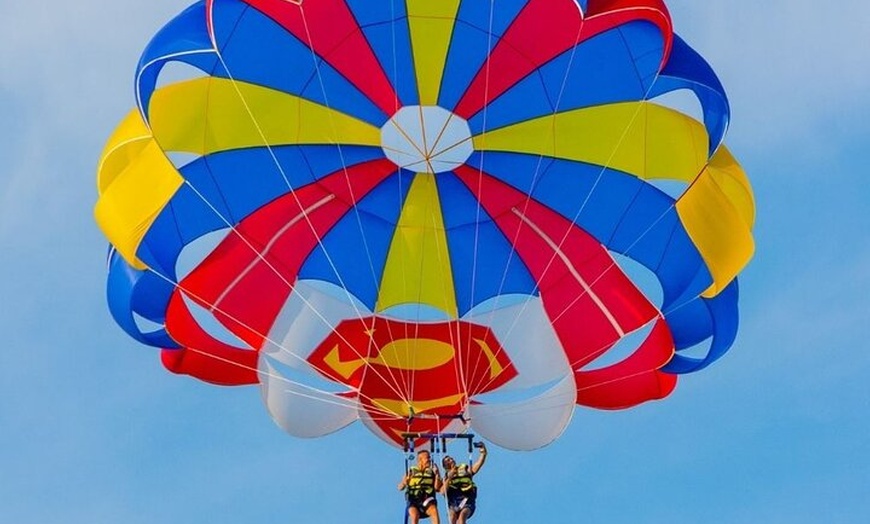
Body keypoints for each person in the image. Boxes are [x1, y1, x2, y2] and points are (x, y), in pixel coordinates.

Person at [440, 442, 487, 524]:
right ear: (445, 466)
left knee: (462, 518)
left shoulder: (465, 470)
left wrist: (483, 452)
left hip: (467, 499)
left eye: (451, 458)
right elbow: (442, 491)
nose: (451, 460)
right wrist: (450, 477)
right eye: (448, 460)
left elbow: (478, 465)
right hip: (453, 502)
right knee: (452, 518)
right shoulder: (446, 477)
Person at [398, 449, 442, 523]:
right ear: (420, 460)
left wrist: (437, 475)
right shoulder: (411, 471)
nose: (429, 460)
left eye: (429, 458)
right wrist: (404, 482)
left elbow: (437, 488)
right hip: (413, 500)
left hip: (427, 499)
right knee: (415, 515)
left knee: (434, 510)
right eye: (427, 458)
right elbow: (400, 487)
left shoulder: (432, 472)